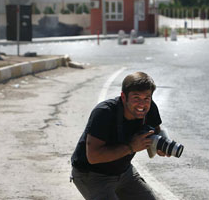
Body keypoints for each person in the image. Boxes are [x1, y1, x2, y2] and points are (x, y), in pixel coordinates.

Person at [71, 72, 167, 200]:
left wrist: (161, 145)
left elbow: (156, 131)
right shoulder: (104, 113)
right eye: (136, 98)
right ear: (123, 97)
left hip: (124, 172)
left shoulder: (149, 108)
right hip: (92, 176)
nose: (141, 104)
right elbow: (93, 157)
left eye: (146, 98)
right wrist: (131, 147)